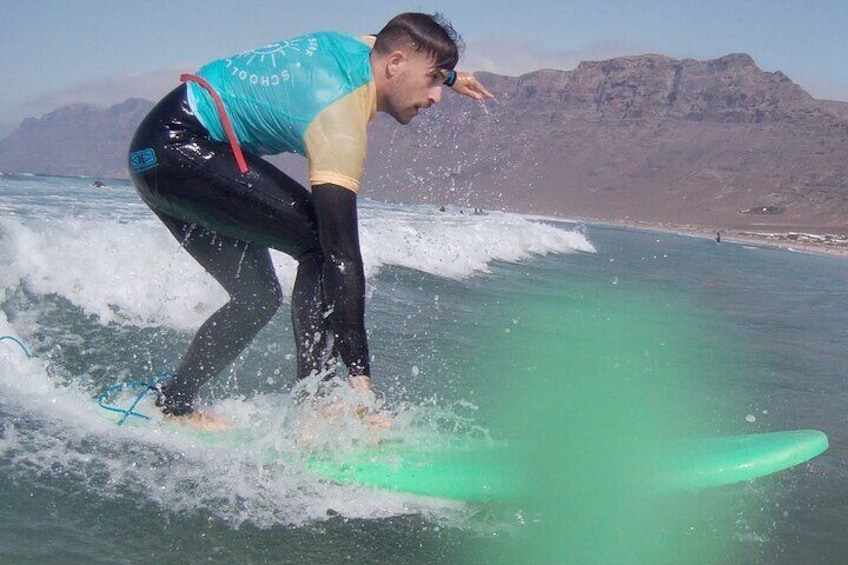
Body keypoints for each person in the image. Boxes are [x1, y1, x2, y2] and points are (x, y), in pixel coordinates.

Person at [127, 13, 493, 421]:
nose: (435, 97)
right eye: (431, 80)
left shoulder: (359, 48)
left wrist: (450, 76)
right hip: (179, 151)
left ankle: (173, 402)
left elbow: (391, 39)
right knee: (319, 246)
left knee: (258, 298)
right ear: (395, 65)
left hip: (155, 154)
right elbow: (341, 255)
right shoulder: (340, 122)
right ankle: (314, 406)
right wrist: (361, 381)